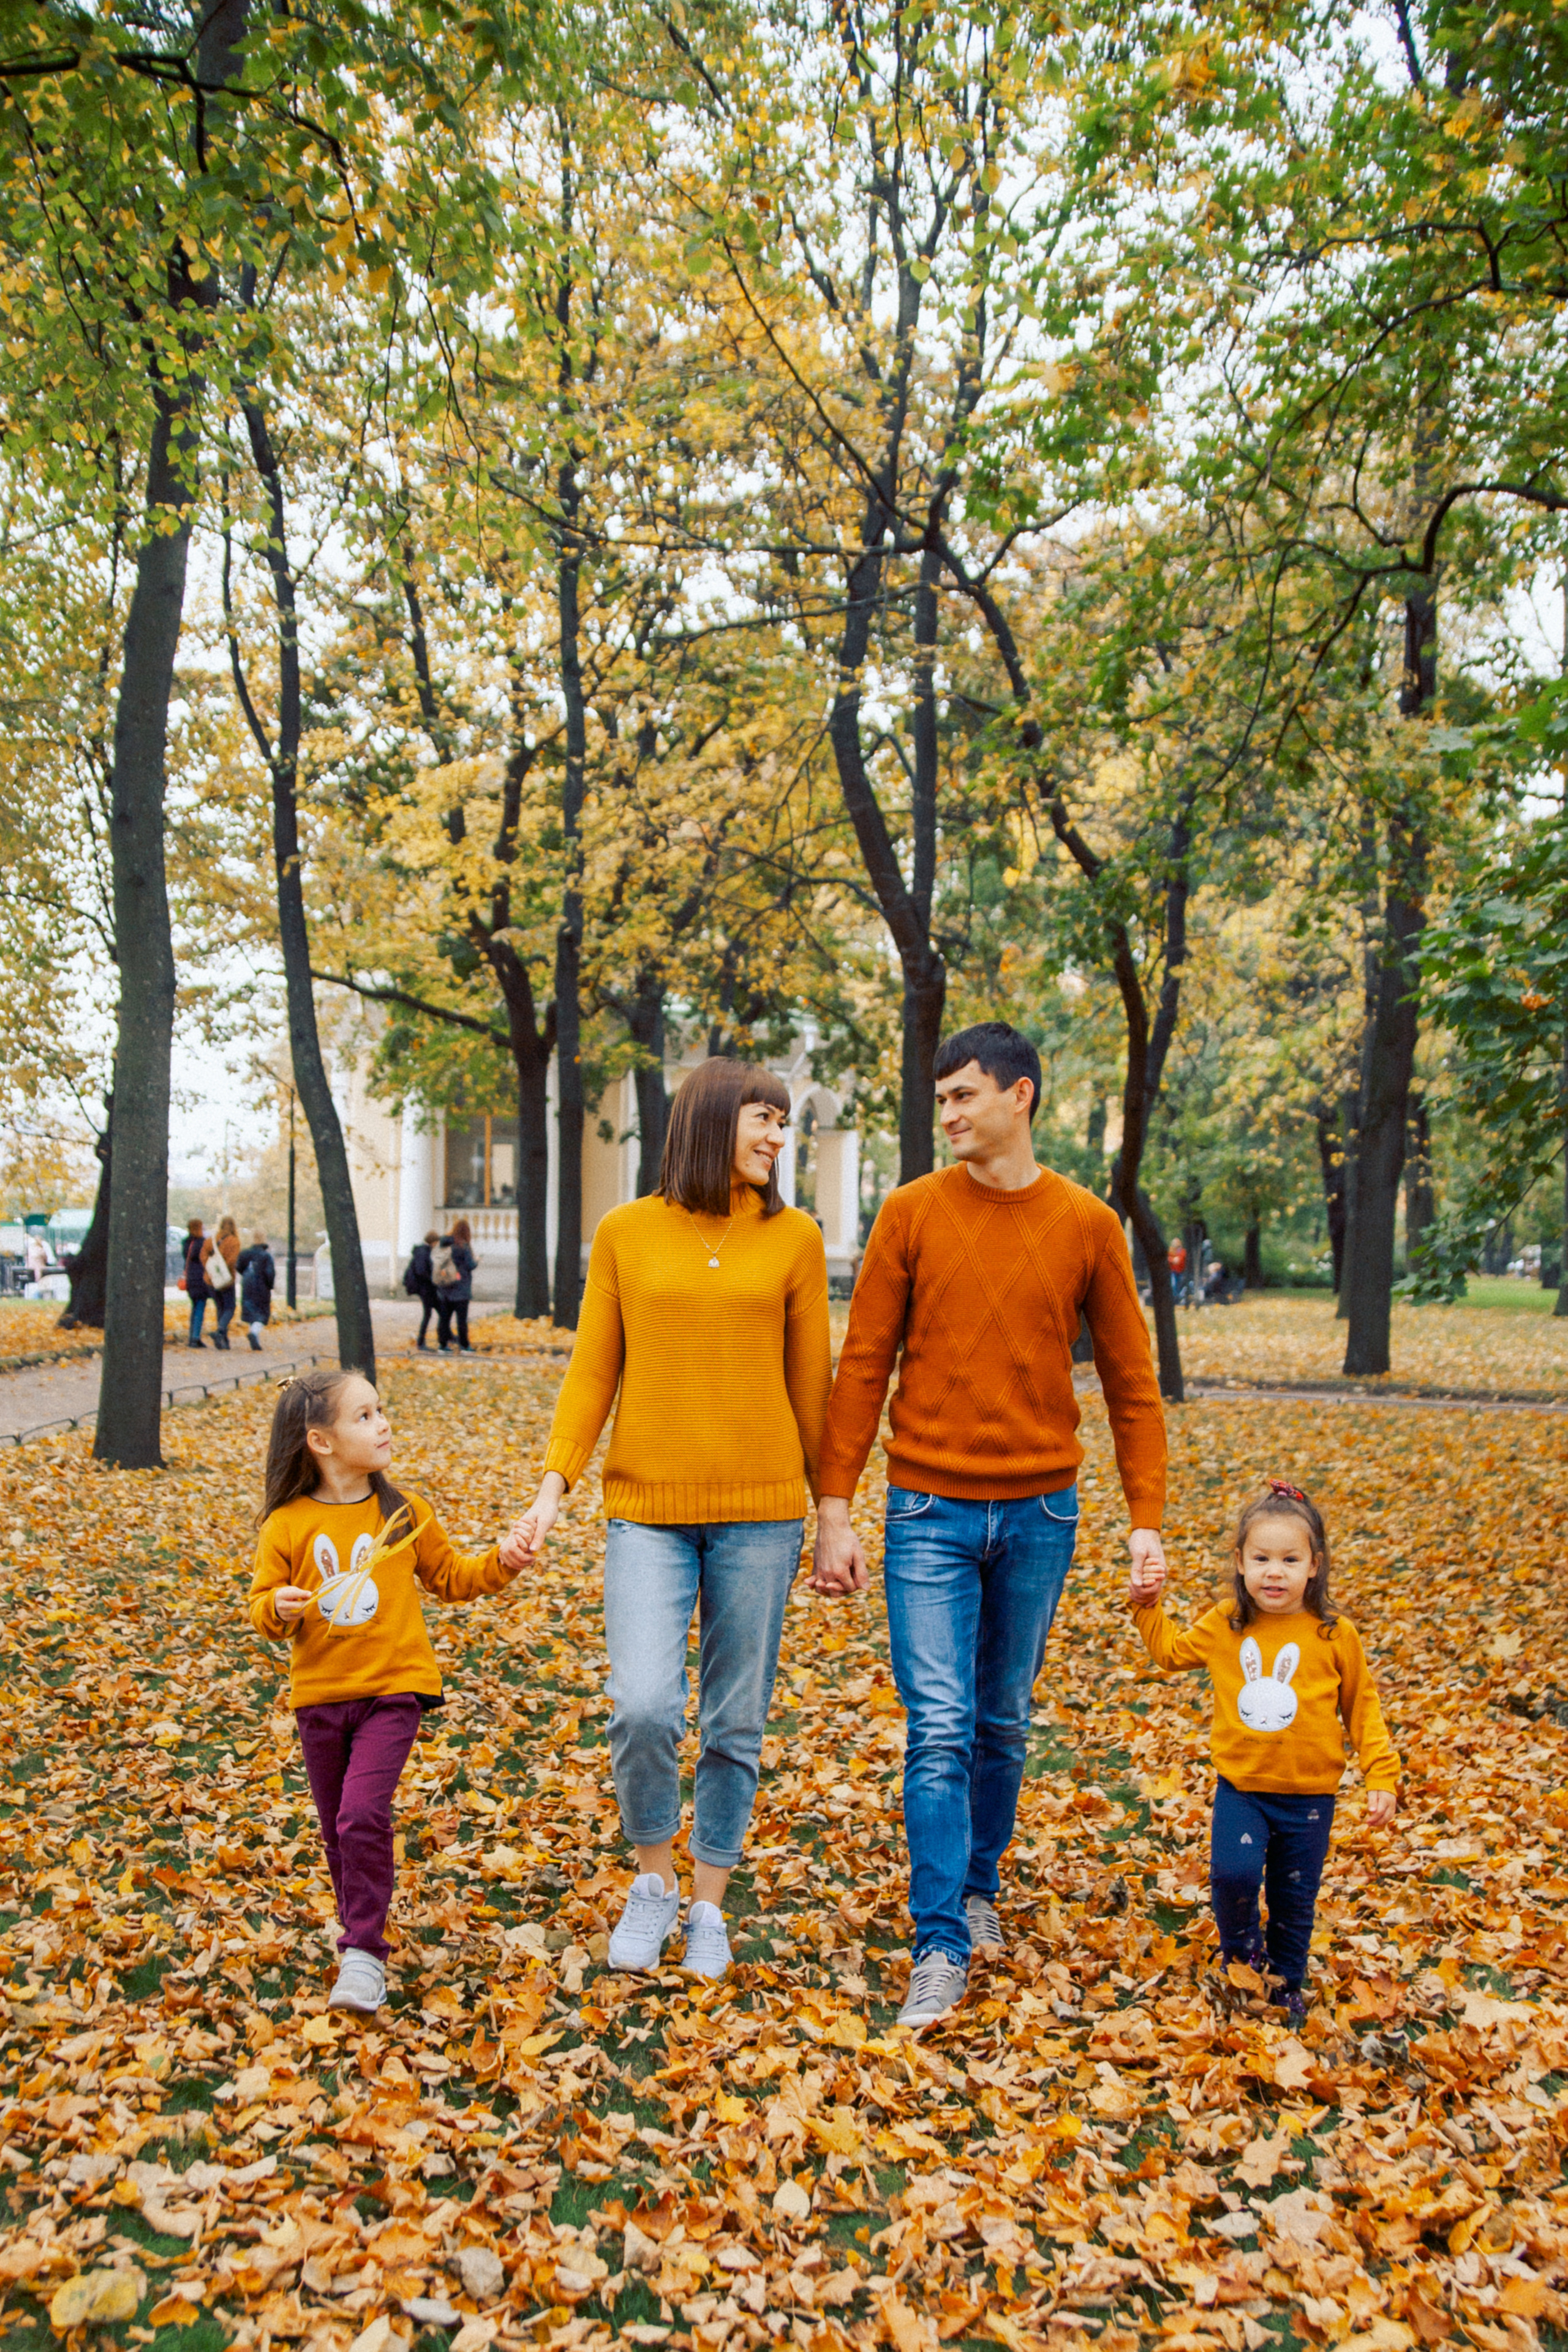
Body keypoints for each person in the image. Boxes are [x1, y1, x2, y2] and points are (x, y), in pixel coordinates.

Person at [812, 1021, 1167, 2030]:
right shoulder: (910, 1214)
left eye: (966, 1095)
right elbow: (864, 1364)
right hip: (925, 1509)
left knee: (1001, 1720)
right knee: (939, 1728)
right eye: (944, 1100)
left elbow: (1134, 1386)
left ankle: (975, 1891)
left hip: (1043, 1510)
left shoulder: (1089, 1224)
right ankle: (938, 1942)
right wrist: (834, 1505)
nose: (952, 1115)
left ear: (1023, 1096)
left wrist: (1148, 1518)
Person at [511, 1057, 831, 1984]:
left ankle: (708, 1907)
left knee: (735, 1723)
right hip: (645, 1512)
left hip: (762, 1515)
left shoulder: (796, 1239)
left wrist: (836, 1511)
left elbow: (814, 1388)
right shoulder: (626, 1233)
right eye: (764, 1119)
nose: (777, 1136)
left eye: (783, 1122)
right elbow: (592, 1372)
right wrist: (551, 1487)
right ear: (709, 1121)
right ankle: (653, 1884)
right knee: (643, 1706)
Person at [248, 1368, 530, 2012]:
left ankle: (365, 1953)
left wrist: (504, 1562)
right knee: (336, 1830)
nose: (383, 1425)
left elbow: (453, 1577)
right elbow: (261, 1608)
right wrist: (279, 1607)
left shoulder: (403, 1515)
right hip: (320, 1696)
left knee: (362, 1815)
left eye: (381, 1411)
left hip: (393, 1691)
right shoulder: (287, 1525)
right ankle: (359, 1936)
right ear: (321, 1442)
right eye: (365, 1416)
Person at [1128, 1479, 1398, 2024]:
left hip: (1310, 1799)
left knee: (1294, 1900)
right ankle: (1243, 1961)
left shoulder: (1333, 1634)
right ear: (1241, 1561)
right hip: (1242, 1791)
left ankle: (1285, 1984)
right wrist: (1146, 1607)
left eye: (1290, 1559)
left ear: (1314, 1566)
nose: (1275, 1572)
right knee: (1233, 1876)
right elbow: (1169, 1653)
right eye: (1262, 1558)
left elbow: (1362, 1708)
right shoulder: (1227, 1622)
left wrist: (1382, 1776)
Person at [434, 1218, 476, 1352]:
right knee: (461, 1320)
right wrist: (477, 1261)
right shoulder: (463, 1247)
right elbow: (470, 1265)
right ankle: (464, 1346)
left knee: (445, 1318)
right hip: (461, 1289)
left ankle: (443, 1345)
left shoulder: (445, 1245)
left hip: (445, 1287)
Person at [238, 1231, 276, 1351]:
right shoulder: (266, 1256)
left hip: (248, 1285)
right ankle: (254, 1333)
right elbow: (270, 1273)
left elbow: (239, 1267)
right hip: (262, 1286)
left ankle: (255, 1338)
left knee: (251, 1311)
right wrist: (270, 1286)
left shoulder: (245, 1254)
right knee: (262, 1314)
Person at [208, 1214, 241, 1349]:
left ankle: (224, 1341)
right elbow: (233, 1261)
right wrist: (226, 1271)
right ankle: (221, 1330)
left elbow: (205, 1256)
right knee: (230, 1307)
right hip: (226, 1279)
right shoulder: (234, 1241)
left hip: (212, 1279)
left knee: (220, 1307)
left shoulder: (213, 1239)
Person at [405, 1229, 440, 1349]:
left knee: (438, 1312)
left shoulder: (422, 1251)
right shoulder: (424, 1252)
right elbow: (421, 1271)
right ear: (433, 1242)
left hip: (426, 1288)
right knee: (430, 1314)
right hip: (425, 1288)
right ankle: (421, 1342)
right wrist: (433, 1279)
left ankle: (444, 1337)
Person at [183, 1219, 211, 1348]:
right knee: (200, 1307)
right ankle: (195, 1337)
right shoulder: (202, 1243)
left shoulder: (186, 1243)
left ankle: (193, 1335)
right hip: (200, 1279)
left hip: (190, 1278)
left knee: (194, 1307)